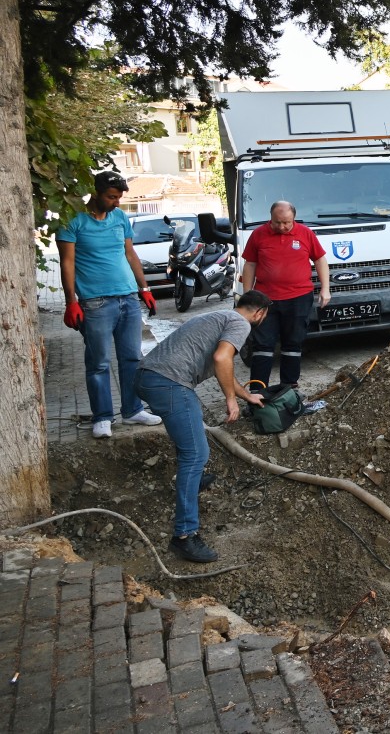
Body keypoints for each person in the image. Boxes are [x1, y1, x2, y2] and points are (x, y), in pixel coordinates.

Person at [135, 290, 272, 562]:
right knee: (196, 454)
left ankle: (193, 481)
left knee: (191, 427)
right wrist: (231, 401)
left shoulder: (219, 316)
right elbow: (224, 359)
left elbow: (224, 368)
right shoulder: (240, 323)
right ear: (260, 313)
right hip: (169, 382)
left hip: (149, 377)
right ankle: (184, 536)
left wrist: (246, 395)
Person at [57, 170, 162, 438]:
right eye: (111, 197)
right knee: (99, 363)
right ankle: (103, 417)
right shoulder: (72, 220)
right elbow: (67, 263)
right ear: (95, 193)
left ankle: (132, 410)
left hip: (127, 297)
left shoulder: (120, 217)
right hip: (95, 302)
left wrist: (144, 288)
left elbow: (130, 253)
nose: (117, 202)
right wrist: (71, 302)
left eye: (119, 197)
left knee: (132, 358)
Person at [239, 201, 330, 393]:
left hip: (299, 297)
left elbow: (320, 259)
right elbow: (250, 265)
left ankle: (289, 389)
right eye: (277, 222)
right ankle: (257, 392)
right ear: (270, 218)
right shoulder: (258, 234)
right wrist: (248, 297)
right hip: (265, 300)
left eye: (286, 223)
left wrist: (325, 289)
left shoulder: (305, 233)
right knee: (262, 345)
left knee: (292, 344)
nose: (281, 227)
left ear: (294, 218)